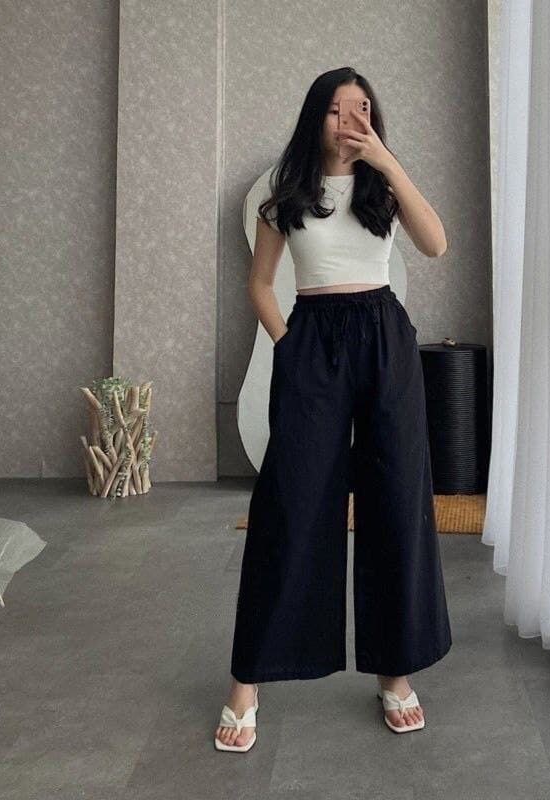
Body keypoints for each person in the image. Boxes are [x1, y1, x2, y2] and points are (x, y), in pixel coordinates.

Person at [215, 67, 452, 752]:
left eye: (364, 108)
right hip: (314, 338)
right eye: (338, 110)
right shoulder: (285, 199)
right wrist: (290, 346)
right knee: (289, 503)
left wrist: (388, 161)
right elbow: (261, 284)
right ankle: (248, 677)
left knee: (395, 501)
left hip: (384, 337)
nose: (352, 119)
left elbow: (436, 243)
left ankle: (395, 671)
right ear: (315, 118)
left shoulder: (384, 188)